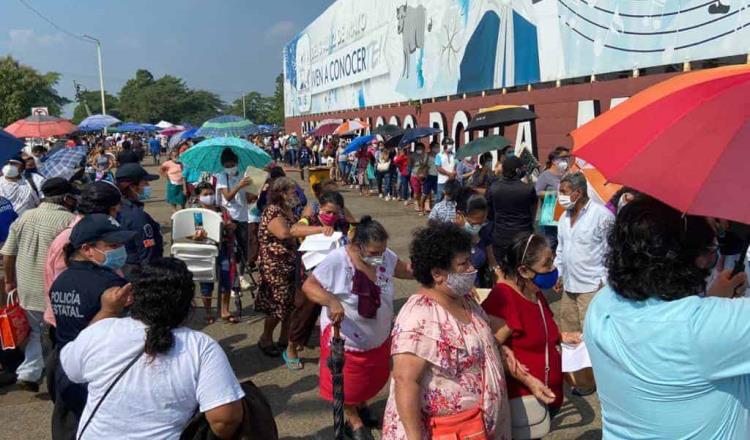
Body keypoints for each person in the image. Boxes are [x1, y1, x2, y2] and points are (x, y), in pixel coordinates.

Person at [585, 197, 749, 440]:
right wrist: (713, 307)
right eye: (710, 251)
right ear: (687, 259)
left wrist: (711, 301)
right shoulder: (703, 329)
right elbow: (694, 332)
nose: (712, 260)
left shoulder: (601, 305)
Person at [59, 258, 245, 440]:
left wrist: (107, 311)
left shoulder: (101, 331)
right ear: (188, 303)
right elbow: (225, 419)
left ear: (134, 295)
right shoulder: (202, 347)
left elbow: (72, 370)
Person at [382, 221, 511, 439]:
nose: (472, 268)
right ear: (437, 273)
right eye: (463, 264)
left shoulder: (465, 300)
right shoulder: (419, 317)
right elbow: (405, 381)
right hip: (446, 431)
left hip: (477, 428)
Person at [304, 216, 411, 440]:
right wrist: (332, 302)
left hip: (377, 338)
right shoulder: (337, 260)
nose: (379, 257)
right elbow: (309, 286)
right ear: (357, 245)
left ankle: (362, 406)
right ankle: (353, 420)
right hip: (346, 339)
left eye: (382, 251)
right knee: (347, 385)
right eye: (373, 252)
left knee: (371, 379)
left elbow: (404, 270)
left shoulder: (384, 257)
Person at [47, 214, 135, 438]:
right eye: (113, 245)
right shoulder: (112, 285)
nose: (120, 249)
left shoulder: (62, 280)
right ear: (87, 249)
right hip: (99, 371)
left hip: (63, 367)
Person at [482, 233, 569, 437]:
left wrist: (563, 336)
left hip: (547, 395)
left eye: (553, 261)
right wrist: (529, 380)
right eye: (547, 264)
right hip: (524, 401)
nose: (553, 269)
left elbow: (541, 331)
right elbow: (489, 347)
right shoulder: (504, 299)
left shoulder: (534, 291)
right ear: (523, 270)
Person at [1, 178, 78, 391]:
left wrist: (9, 281)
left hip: (26, 285)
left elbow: (8, 252)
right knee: (51, 334)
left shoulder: (25, 216)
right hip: (53, 286)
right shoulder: (69, 220)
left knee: (36, 331)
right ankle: (39, 372)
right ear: (66, 198)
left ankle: (30, 372)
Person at [554, 171, 614, 395]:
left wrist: (604, 283)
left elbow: (612, 253)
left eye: (564, 192)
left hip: (592, 287)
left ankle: (603, 380)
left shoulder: (602, 217)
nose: (560, 196)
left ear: (578, 193)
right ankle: (583, 381)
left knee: (594, 337)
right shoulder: (563, 218)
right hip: (569, 286)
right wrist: (558, 273)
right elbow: (560, 250)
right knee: (571, 337)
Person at [44, 181, 123, 329]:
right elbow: (68, 292)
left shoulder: (97, 231)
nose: (116, 215)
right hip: (77, 325)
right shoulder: (72, 238)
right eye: (115, 211)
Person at [285, 190, 349, 370]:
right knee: (304, 313)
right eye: (328, 211)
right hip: (309, 277)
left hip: (334, 279)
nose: (331, 216)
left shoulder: (342, 224)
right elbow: (294, 230)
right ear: (319, 208)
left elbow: (352, 235)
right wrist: (321, 230)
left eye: (335, 213)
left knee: (332, 317)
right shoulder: (310, 221)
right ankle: (291, 347)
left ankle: (328, 352)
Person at [255, 177, 299, 357]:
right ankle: (265, 337)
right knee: (277, 304)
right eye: (292, 191)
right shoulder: (272, 211)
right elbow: (283, 233)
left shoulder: (287, 209)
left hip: (289, 263)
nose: (295, 194)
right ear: (281, 193)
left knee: (289, 304)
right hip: (275, 266)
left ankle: (284, 337)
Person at [190, 182, 238, 324]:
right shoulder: (197, 213)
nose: (209, 197)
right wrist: (196, 236)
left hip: (224, 249)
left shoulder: (221, 209)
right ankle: (208, 312)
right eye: (205, 194)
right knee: (206, 282)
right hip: (206, 250)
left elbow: (233, 225)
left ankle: (225, 310)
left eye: (211, 193)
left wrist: (230, 226)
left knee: (226, 279)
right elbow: (192, 234)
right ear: (198, 197)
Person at [115, 163, 164, 278]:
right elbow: (148, 254)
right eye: (144, 183)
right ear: (133, 187)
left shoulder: (116, 207)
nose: (148, 186)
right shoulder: (137, 216)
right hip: (137, 272)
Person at [487, 155, 537, 265]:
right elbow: (533, 213)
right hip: (522, 237)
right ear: (518, 170)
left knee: (503, 270)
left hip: (500, 236)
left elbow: (489, 213)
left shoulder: (494, 188)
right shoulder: (528, 189)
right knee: (521, 270)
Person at [215, 148, 257, 269]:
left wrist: (255, 189)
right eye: (227, 166)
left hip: (243, 215)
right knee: (231, 247)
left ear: (237, 163)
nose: (230, 168)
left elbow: (249, 198)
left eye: (232, 165)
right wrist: (239, 185)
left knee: (244, 246)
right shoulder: (222, 176)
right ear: (223, 166)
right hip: (229, 216)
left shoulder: (244, 174)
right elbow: (227, 197)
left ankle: (242, 272)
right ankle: (234, 274)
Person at [453, 191, 497, 288]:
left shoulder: (483, 232)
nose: (479, 226)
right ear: (460, 215)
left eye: (482, 222)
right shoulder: (448, 238)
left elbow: (492, 260)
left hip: (479, 290)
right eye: (475, 223)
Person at [535, 147, 571, 250]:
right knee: (549, 246)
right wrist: (553, 193)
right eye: (563, 157)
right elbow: (537, 192)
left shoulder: (567, 175)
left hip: (564, 217)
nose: (566, 160)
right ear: (554, 161)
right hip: (549, 218)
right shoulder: (545, 175)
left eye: (567, 157)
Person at [419, 142, 440, 215]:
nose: (437, 149)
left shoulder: (439, 156)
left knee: (438, 194)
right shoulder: (426, 156)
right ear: (431, 148)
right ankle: (421, 209)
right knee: (425, 194)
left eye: (438, 147)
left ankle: (435, 210)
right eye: (435, 147)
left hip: (437, 177)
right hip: (428, 176)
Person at [434, 137, 456, 203]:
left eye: (452, 144)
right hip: (442, 180)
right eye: (449, 144)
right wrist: (449, 174)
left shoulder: (454, 155)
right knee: (439, 197)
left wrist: (453, 173)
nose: (451, 145)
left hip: (452, 180)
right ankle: (436, 212)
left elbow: (455, 166)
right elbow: (438, 168)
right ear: (444, 145)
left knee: (451, 197)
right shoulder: (439, 155)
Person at [409, 143, 426, 212]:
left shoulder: (426, 156)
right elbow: (410, 165)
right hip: (415, 175)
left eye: (421, 148)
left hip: (424, 176)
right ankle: (416, 202)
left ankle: (422, 204)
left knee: (423, 191)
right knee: (416, 191)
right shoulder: (413, 156)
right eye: (418, 148)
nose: (420, 150)